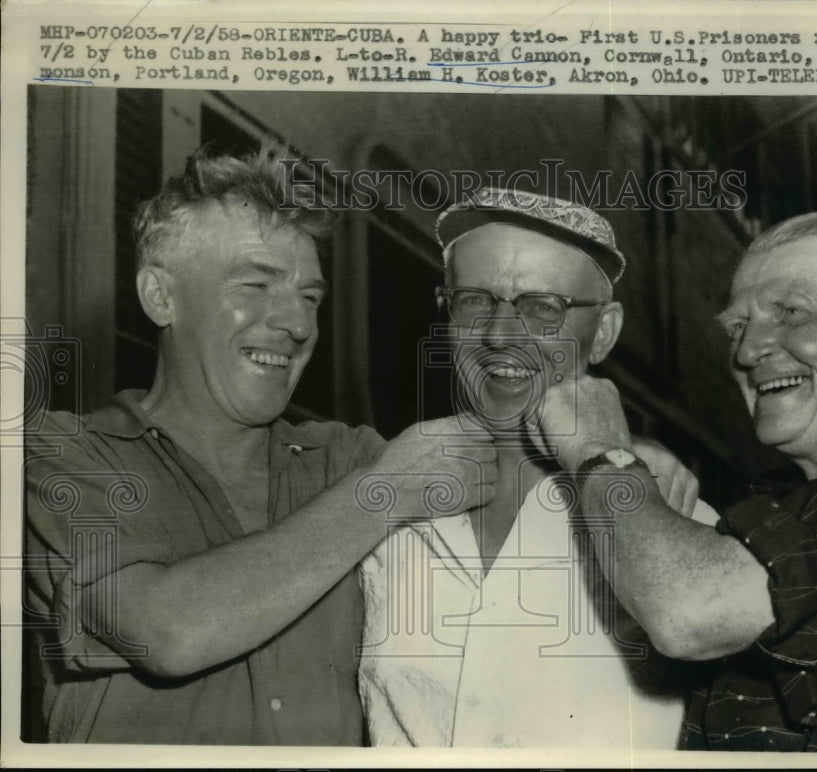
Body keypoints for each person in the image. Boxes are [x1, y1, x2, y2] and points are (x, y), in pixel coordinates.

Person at [22, 148, 496, 744]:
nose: (297, 324)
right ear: (159, 297)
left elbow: (518, 479)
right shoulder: (63, 454)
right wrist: (384, 493)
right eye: (255, 283)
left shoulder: (344, 458)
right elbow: (167, 631)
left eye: (311, 298)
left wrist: (617, 463)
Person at [529, 211, 817, 752]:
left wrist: (599, 451)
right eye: (738, 326)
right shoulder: (784, 512)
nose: (745, 351)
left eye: (790, 312)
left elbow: (690, 612)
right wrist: (639, 475)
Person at [357, 187, 714, 749]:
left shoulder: (676, 521)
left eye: (542, 307)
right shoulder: (380, 509)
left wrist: (614, 457)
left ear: (605, 332)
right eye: (475, 300)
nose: (501, 336)